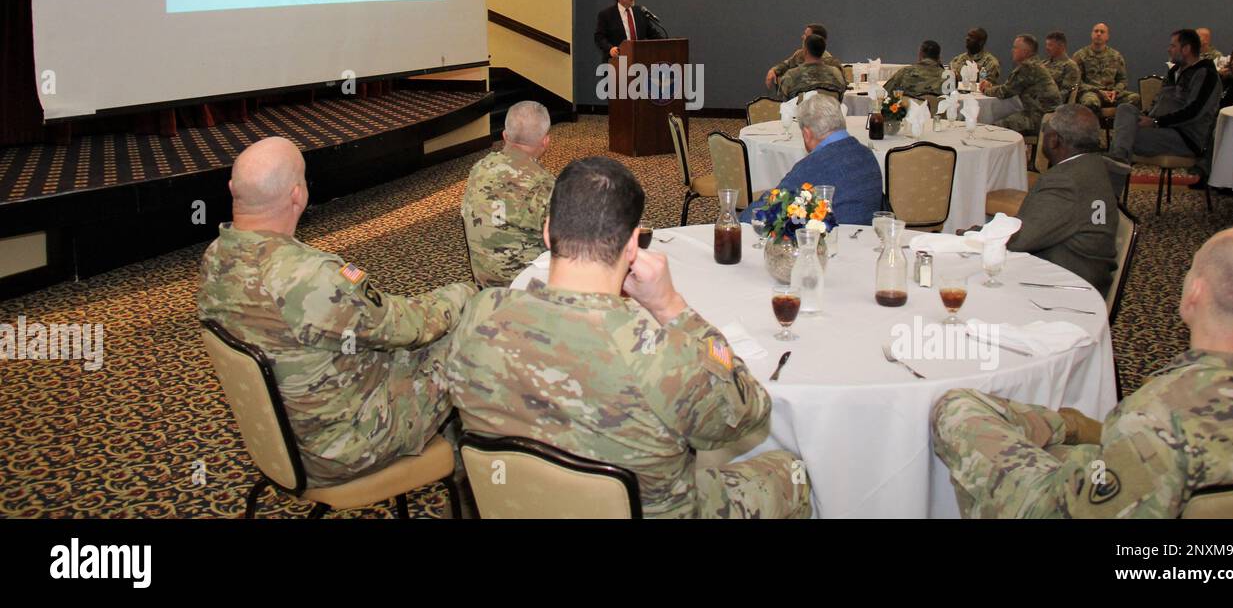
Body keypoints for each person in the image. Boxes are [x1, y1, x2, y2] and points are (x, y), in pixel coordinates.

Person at [445, 156, 812, 519]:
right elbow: (749, 409)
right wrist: (671, 306)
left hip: (520, 506)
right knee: (792, 472)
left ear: (547, 231)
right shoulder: (663, 359)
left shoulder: (479, 316)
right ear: (633, 246)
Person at [931, 227, 1233, 518]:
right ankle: (1069, 425)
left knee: (957, 408)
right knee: (1060, 429)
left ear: (1195, 293)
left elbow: (1073, 509)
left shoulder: (1156, 415)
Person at [197, 137, 474, 486]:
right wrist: (462, 294)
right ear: (298, 194)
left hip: (282, 438)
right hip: (345, 446)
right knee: (474, 333)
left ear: (232, 189)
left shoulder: (215, 257)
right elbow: (406, 327)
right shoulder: (310, 277)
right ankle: (480, 472)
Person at [1006, 105, 1117, 292]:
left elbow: (1019, 240)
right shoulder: (1094, 166)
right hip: (1088, 272)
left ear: (1053, 140)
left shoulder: (1065, 181)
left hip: (1066, 284)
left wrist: (972, 237)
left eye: (1045, 130)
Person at [740, 93, 882, 225]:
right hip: (866, 235)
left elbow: (768, 210)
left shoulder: (813, 166)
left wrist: (742, 218)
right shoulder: (868, 155)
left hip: (834, 238)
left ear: (807, 134)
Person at [461, 101, 555, 288]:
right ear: (546, 141)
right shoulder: (544, 184)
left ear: (504, 135)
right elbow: (564, 243)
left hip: (484, 286)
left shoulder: (479, 168)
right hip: (524, 290)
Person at [1108, 29, 1221, 182]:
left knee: (1125, 137)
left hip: (1185, 136)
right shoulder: (1174, 72)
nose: (1169, 49)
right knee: (1125, 108)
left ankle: (1115, 168)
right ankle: (1118, 160)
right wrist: (1147, 117)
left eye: (1173, 46)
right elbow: (1159, 101)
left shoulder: (1205, 74)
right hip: (1159, 128)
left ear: (1186, 49)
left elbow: (1194, 111)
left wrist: (1156, 122)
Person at [979, 34, 1061, 137]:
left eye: (1015, 47)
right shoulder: (1035, 64)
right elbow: (1010, 86)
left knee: (992, 129)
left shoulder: (1027, 67)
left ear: (1025, 51)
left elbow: (1005, 92)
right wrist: (991, 87)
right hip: (1049, 117)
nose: (1012, 50)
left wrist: (986, 89)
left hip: (1038, 119)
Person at [1073, 22, 1139, 113]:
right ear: (1091, 34)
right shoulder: (1080, 55)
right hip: (1092, 93)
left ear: (1107, 37)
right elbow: (1077, 82)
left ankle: (1120, 122)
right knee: (1091, 102)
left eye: (1102, 32)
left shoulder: (1116, 56)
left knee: (1135, 98)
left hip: (1112, 94)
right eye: (1096, 31)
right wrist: (1098, 91)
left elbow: (1122, 80)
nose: (1098, 34)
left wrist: (1115, 91)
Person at [766, 23, 843, 90]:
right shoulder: (799, 55)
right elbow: (786, 64)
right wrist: (773, 70)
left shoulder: (831, 64)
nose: (802, 37)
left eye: (806, 35)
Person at [594, 0, 661, 58]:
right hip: (618, 58)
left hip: (640, 58)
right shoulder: (607, 14)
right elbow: (599, 37)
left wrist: (666, 43)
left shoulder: (640, 11)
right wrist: (610, 49)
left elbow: (652, 34)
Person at [777, 33, 847, 102]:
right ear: (823, 51)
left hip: (801, 109)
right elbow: (840, 98)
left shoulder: (791, 76)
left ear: (805, 51)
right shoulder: (836, 74)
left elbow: (784, 103)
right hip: (830, 109)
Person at [1041, 31, 1082, 100]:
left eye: (1050, 45)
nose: (1047, 48)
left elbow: (1066, 92)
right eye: (1046, 45)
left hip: (1052, 102)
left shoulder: (1070, 66)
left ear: (1061, 46)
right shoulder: (1043, 64)